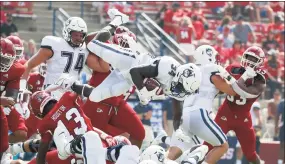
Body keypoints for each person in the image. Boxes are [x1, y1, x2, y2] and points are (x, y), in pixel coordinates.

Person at [21, 9, 130, 100]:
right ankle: (117, 20)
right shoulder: (55, 45)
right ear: (67, 32)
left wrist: (106, 48)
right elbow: (28, 65)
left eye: (80, 35)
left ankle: (117, 20)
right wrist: (21, 89)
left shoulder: (84, 49)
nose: (78, 38)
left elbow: (103, 67)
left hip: (72, 95)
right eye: (75, 35)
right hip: (51, 94)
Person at [28, 90, 137, 164]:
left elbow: (41, 155)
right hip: (98, 144)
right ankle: (111, 154)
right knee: (123, 142)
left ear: (38, 112)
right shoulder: (67, 97)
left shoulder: (44, 124)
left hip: (77, 155)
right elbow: (87, 90)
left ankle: (65, 149)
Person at [204, 46, 268, 164]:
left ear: (259, 62)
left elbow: (241, 90)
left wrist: (233, 80)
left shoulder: (260, 79)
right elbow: (220, 88)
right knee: (206, 146)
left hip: (243, 119)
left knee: (251, 155)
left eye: (254, 59)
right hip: (225, 114)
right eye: (248, 57)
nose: (250, 61)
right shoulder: (233, 68)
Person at [275, 99, 284, 164]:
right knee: (282, 146)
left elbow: (277, 115)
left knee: (282, 146)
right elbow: (277, 114)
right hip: (283, 126)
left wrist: (276, 126)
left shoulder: (282, 102)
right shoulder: (282, 102)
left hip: (283, 127)